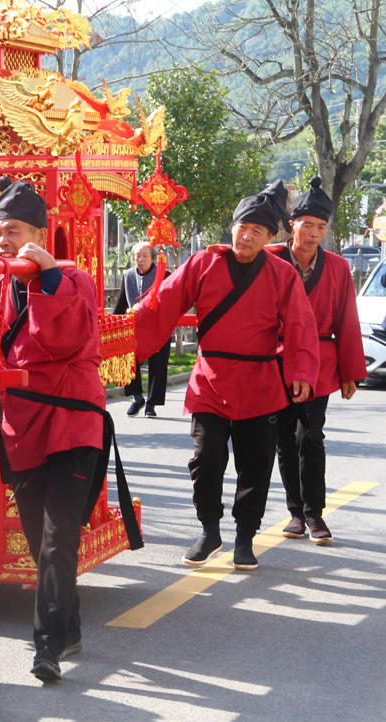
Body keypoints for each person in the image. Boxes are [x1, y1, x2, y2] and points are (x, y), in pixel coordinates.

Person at [0, 176, 143, 683]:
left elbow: (67, 336)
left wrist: (47, 279)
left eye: (13, 230)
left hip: (73, 424)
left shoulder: (74, 280)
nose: (2, 241)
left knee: (57, 538)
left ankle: (47, 644)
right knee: (39, 539)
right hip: (23, 426)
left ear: (41, 232)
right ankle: (69, 623)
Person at [133, 181, 319, 571]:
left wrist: (302, 370)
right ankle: (209, 529)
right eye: (241, 227)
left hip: (259, 381)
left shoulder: (282, 274)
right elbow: (163, 303)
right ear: (231, 227)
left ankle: (245, 537)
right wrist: (126, 335)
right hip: (210, 378)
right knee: (205, 459)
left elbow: (301, 326)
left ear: (270, 238)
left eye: (257, 231)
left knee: (255, 463)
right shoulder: (204, 262)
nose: (246, 236)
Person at [269, 177, 366, 543]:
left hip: (322, 361)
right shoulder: (270, 259)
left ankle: (315, 515)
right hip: (278, 358)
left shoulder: (339, 268)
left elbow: (348, 321)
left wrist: (350, 371)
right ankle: (295, 512)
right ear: (291, 224)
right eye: (307, 224)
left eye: (321, 227)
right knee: (283, 436)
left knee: (311, 435)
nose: (313, 233)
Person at [113, 242, 171, 417]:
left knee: (158, 365)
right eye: (138, 255)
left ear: (152, 257)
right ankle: (137, 398)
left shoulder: (164, 274)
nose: (141, 259)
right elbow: (121, 303)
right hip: (134, 328)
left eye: (145, 255)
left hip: (157, 328)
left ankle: (151, 404)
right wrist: (114, 324)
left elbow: (170, 302)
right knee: (127, 359)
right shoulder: (128, 275)